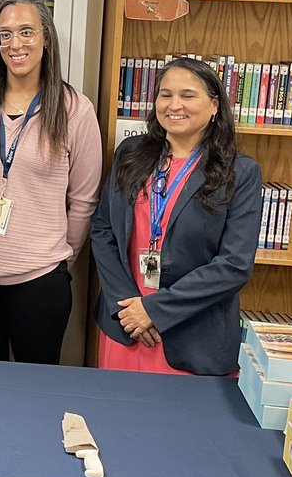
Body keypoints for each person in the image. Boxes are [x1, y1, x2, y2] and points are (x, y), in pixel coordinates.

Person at [0, 0, 102, 364]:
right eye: (4, 35)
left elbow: (83, 200)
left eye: (26, 31)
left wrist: (57, 258)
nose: (15, 44)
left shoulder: (75, 109)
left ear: (46, 38)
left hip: (40, 279)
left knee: (36, 389)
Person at [91, 57, 263, 375]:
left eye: (187, 95)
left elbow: (235, 265)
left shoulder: (240, 173)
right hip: (125, 324)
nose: (174, 105)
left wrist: (154, 311)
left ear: (214, 106)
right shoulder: (130, 154)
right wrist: (127, 305)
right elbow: (103, 230)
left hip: (192, 335)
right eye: (165, 94)